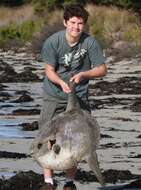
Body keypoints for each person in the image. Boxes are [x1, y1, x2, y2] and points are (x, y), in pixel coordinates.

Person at [39, 3, 107, 190]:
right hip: (54, 96)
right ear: (65, 22)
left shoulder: (90, 42)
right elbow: (49, 71)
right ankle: (49, 182)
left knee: (76, 140)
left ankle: (69, 183)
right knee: (49, 138)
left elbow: (102, 69)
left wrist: (84, 75)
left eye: (80, 23)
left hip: (79, 98)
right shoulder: (53, 42)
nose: (76, 27)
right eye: (73, 22)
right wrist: (61, 83)